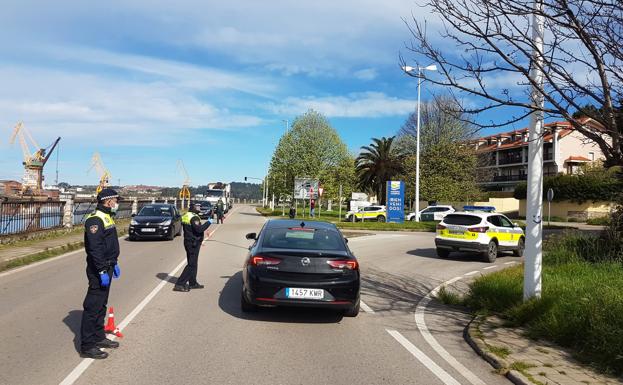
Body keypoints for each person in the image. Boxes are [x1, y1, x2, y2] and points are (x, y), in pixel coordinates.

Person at [80, 188, 122, 359]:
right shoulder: (95, 220)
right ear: (108, 201)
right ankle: (87, 346)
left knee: (102, 304)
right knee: (92, 306)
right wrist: (102, 270)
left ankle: (98, 337)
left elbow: (108, 245)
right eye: (116, 200)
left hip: (108, 265)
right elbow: (95, 249)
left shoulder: (107, 217)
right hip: (99, 269)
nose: (117, 203)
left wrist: (114, 262)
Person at [174, 203, 213, 292]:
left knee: (193, 263)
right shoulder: (194, 217)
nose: (199, 208)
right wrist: (208, 222)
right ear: (193, 208)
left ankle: (193, 283)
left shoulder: (186, 215)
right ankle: (180, 284)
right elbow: (199, 229)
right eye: (197, 207)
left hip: (188, 241)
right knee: (191, 264)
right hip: (193, 243)